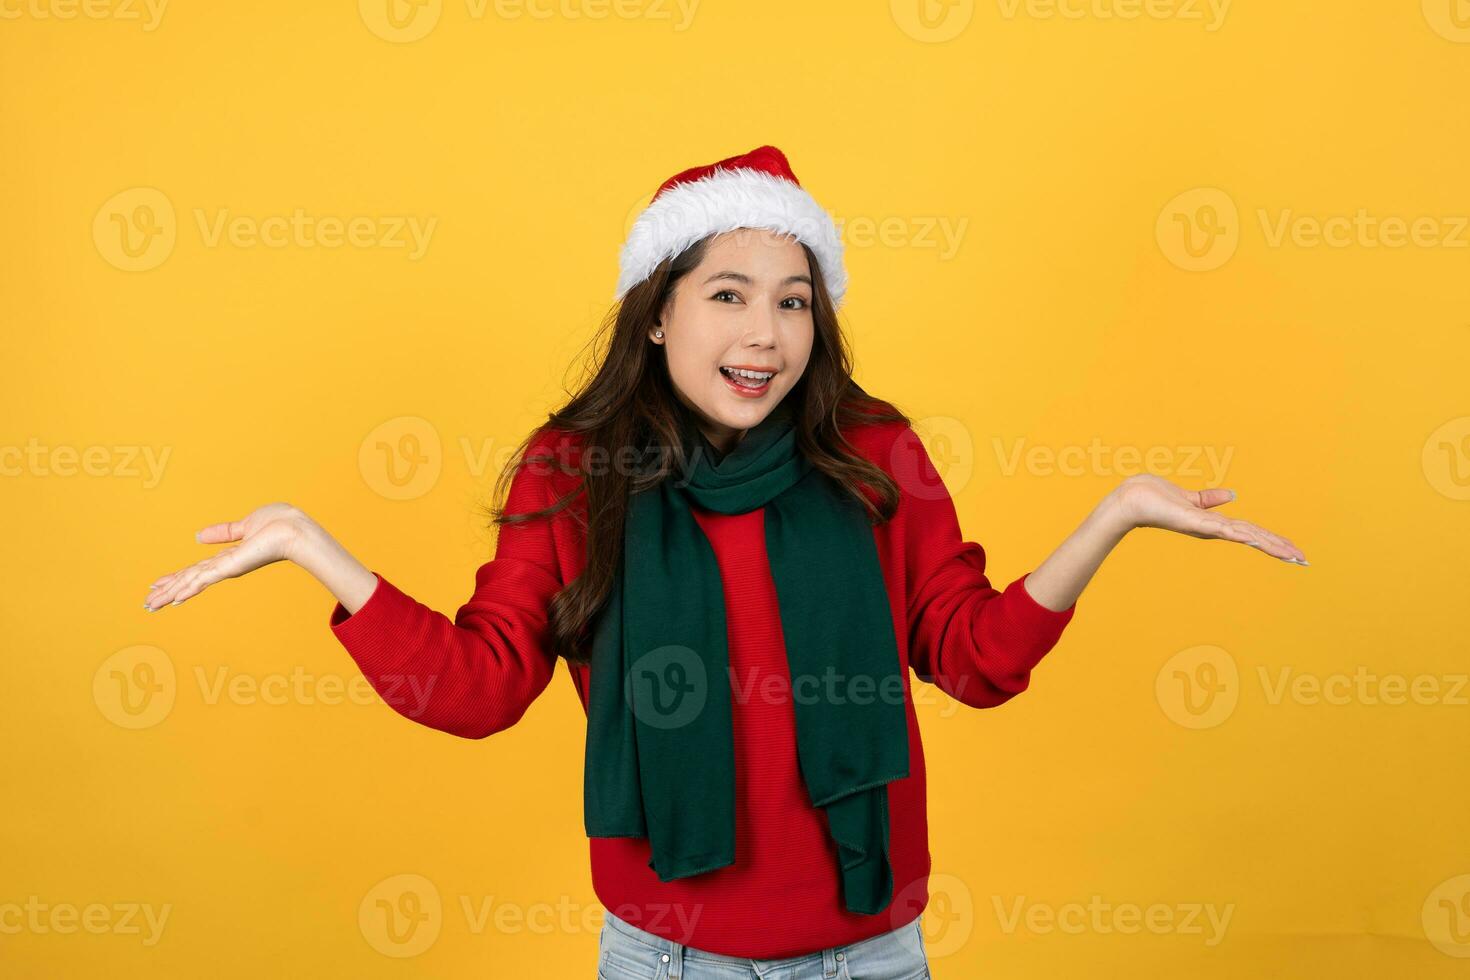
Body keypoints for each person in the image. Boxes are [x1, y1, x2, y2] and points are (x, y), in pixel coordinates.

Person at [142, 145, 1307, 979]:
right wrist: (315, 549)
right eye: (730, 294)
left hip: (869, 948)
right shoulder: (575, 468)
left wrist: (1112, 518)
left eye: (794, 301)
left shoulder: (870, 451)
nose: (767, 333)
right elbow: (481, 683)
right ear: (657, 312)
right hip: (667, 954)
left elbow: (973, 656)